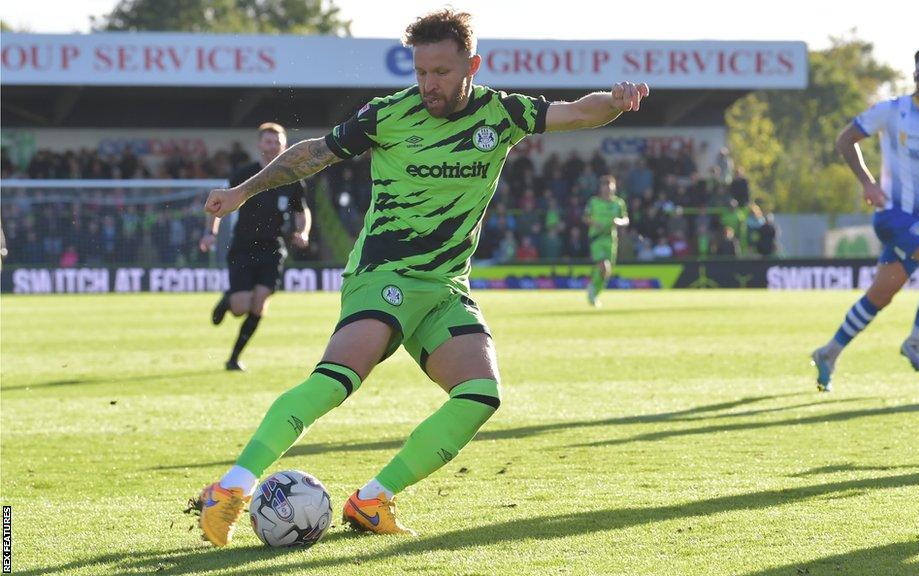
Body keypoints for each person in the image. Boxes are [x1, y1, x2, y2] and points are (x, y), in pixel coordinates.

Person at [192, 8, 649, 546]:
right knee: (336, 380)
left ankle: (372, 500)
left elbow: (576, 112)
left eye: (441, 72)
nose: (429, 84)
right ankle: (232, 489)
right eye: (421, 72)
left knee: (480, 393)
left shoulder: (502, 114)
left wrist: (615, 104)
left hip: (446, 285)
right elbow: (313, 153)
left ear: (471, 66)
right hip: (383, 273)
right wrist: (245, 191)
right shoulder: (388, 114)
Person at [811, 46, 919, 392]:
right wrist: (868, 183)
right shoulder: (892, 111)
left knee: (880, 296)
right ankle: (916, 340)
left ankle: (829, 352)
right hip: (892, 216)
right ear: (914, 74)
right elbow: (845, 140)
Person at [199, 122, 311, 372]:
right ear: (260, 145)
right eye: (268, 142)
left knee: (259, 303)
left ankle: (234, 358)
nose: (273, 146)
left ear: (285, 146)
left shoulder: (292, 179)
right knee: (241, 308)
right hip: (244, 247)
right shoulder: (243, 174)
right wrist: (210, 233)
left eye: (277, 142)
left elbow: (302, 211)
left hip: (273, 249)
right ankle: (228, 301)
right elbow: (219, 203)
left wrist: (302, 231)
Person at [584, 175, 629, 306]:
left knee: (607, 271)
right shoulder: (593, 201)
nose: (608, 190)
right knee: (604, 265)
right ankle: (593, 290)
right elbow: (586, 218)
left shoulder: (618, 203)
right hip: (597, 238)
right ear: (601, 188)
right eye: (605, 187)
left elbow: (626, 219)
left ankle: (594, 291)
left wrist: (618, 222)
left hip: (610, 239)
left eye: (610, 187)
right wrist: (594, 222)